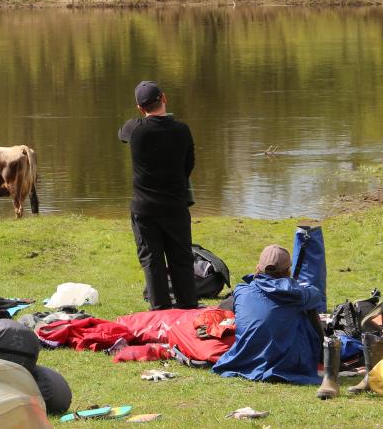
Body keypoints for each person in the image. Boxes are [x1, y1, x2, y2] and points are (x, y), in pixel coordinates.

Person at [116, 81, 196, 311]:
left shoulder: (135, 129)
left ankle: (160, 312)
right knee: (181, 260)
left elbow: (121, 133)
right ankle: (188, 309)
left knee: (152, 261)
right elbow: (189, 165)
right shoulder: (182, 130)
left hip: (145, 209)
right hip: (176, 207)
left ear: (140, 108)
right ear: (164, 98)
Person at [213, 245, 323, 385]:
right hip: (287, 364)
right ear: (288, 270)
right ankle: (322, 356)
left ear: (258, 267)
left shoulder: (242, 291)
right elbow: (316, 295)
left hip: (242, 360)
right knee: (308, 310)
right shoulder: (298, 295)